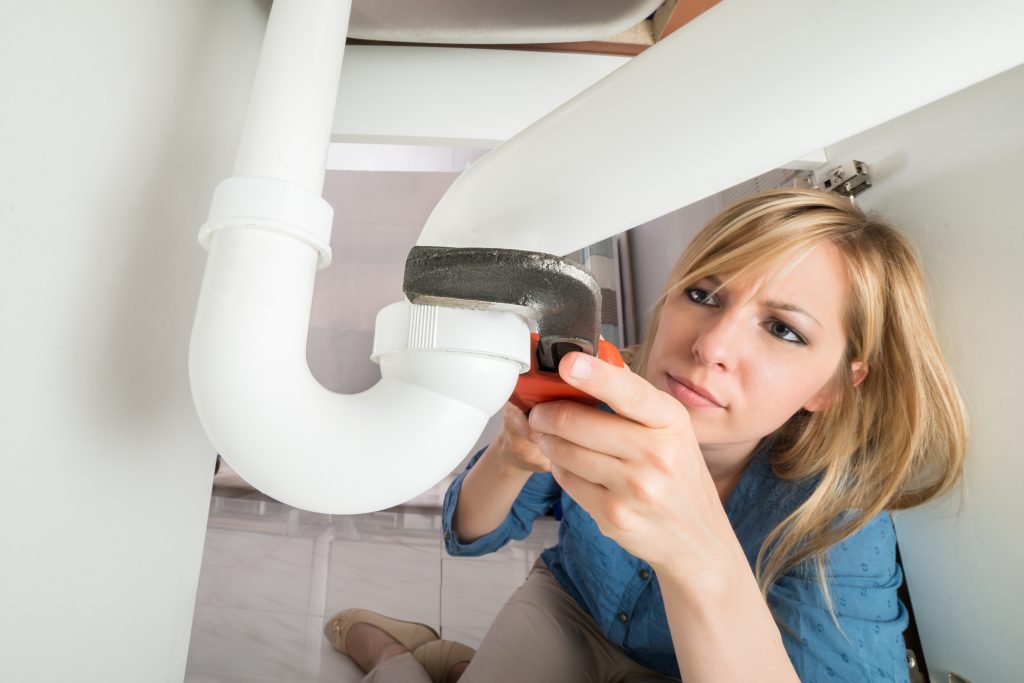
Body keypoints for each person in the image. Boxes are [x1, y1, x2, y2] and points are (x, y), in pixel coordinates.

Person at [323, 188, 967, 682]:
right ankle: (393, 650)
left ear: (834, 385)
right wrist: (513, 455)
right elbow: (466, 535)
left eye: (783, 329)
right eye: (704, 294)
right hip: (572, 609)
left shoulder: (838, 517)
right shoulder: (597, 390)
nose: (710, 344)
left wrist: (699, 554)